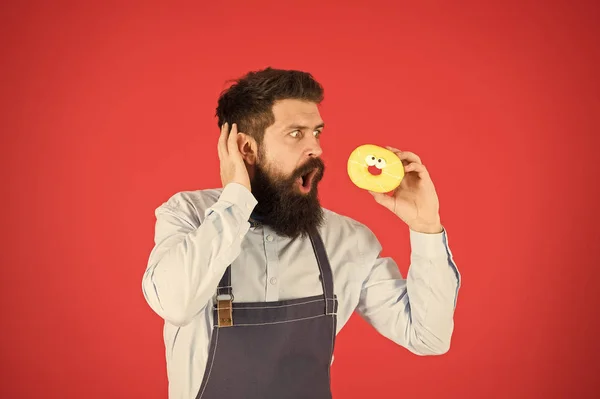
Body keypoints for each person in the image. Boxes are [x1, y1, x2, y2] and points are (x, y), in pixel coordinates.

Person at [141, 67, 461, 399]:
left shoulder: (347, 240)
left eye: (317, 133)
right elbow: (176, 305)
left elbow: (428, 337)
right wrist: (236, 194)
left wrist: (426, 228)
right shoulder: (189, 216)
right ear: (245, 148)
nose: (316, 149)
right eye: (296, 134)